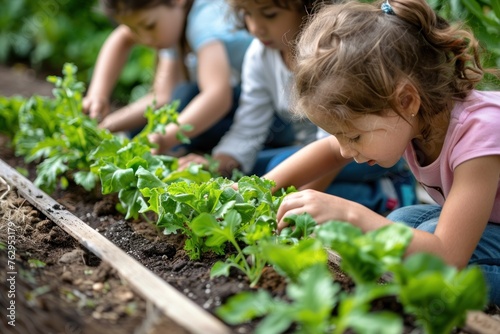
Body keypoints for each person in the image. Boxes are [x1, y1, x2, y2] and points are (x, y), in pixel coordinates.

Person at [266, 0, 500, 305]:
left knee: (430, 267)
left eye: (353, 136)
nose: (345, 149)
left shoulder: (479, 135)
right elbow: (329, 152)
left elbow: (448, 256)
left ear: (406, 101)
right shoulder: (412, 118)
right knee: (401, 222)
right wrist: (260, 188)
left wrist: (349, 213)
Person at [178, 0, 416, 214]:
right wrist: (216, 165)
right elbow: (248, 129)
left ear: (306, 7)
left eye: (269, 14)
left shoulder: (332, 57)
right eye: (247, 15)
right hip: (332, 147)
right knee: (259, 168)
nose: (255, 28)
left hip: (368, 148)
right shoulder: (260, 55)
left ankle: (383, 196)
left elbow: (332, 147)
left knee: (277, 168)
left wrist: (290, 205)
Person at [83, 0, 253, 154]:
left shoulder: (204, 21)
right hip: (239, 110)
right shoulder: (172, 25)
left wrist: (165, 139)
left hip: (260, 114)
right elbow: (162, 98)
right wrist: (102, 107)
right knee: (146, 125)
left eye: (149, 26)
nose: (145, 39)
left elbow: (217, 97)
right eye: (135, 30)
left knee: (185, 95)